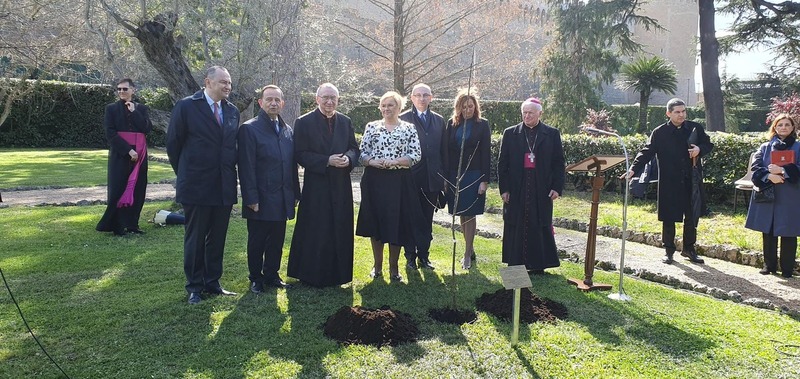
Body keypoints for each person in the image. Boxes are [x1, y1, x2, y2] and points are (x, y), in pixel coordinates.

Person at [167, 66, 240, 304]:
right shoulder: (187, 106)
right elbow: (174, 145)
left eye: (229, 83)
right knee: (195, 238)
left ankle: (213, 282)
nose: (227, 86)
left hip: (224, 186)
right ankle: (195, 287)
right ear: (207, 82)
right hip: (196, 186)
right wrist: (187, 174)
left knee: (217, 238)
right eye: (223, 82)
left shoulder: (232, 111)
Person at [625, 98, 713, 265]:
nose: (681, 115)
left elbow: (708, 144)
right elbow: (647, 152)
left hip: (691, 179)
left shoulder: (695, 128)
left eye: (683, 111)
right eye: (677, 112)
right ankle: (669, 251)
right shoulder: (659, 132)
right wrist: (633, 169)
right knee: (669, 216)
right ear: (668, 113)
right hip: (669, 180)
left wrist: (699, 149)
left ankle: (689, 248)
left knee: (691, 215)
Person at [288, 83, 359, 287]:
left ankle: (338, 275)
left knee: (339, 227)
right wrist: (326, 160)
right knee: (316, 229)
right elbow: (300, 154)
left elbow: (354, 148)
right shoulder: (304, 122)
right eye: (325, 97)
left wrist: (348, 158)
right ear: (317, 99)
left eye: (333, 98)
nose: (329, 102)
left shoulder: (345, 121)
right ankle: (311, 274)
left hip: (340, 185)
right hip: (316, 185)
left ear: (338, 100)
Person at [237, 85, 300, 293]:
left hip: (282, 196)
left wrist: (295, 194)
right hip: (260, 197)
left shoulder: (287, 130)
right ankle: (256, 277)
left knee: (277, 239)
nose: (273, 103)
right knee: (257, 241)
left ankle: (272, 274)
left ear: (282, 103)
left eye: (277, 100)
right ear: (261, 103)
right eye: (269, 99)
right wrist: (251, 198)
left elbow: (291, 165)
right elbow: (246, 167)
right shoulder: (249, 128)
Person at [357, 91, 423, 282]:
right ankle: (377, 266)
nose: (386, 109)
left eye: (390, 105)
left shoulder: (409, 128)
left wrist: (395, 161)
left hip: (399, 181)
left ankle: (394, 268)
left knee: (397, 224)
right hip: (375, 180)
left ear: (399, 107)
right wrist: (372, 161)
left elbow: (415, 154)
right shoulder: (372, 127)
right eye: (383, 105)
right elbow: (362, 153)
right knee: (376, 222)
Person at [497, 98, 565, 274]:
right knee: (515, 222)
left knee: (539, 222)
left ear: (540, 113)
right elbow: (502, 164)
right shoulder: (510, 133)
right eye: (524, 113)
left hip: (541, 187)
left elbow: (559, 163)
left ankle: (538, 264)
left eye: (531, 113)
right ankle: (515, 263)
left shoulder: (551, 134)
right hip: (516, 186)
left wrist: (557, 187)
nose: (527, 116)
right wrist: (504, 189)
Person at [96, 78, 153, 236]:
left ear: (133, 90)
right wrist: (128, 151)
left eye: (125, 89)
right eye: (119, 89)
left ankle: (132, 224)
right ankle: (117, 226)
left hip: (140, 153)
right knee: (119, 187)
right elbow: (110, 133)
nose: (121, 92)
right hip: (120, 153)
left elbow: (146, 128)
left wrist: (134, 112)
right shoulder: (111, 109)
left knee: (138, 187)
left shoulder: (141, 109)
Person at [745, 114, 799, 278]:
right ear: (774, 127)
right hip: (769, 193)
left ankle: (787, 269)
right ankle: (769, 266)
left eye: (787, 125)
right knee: (768, 229)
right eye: (780, 124)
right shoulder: (765, 147)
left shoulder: (798, 147)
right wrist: (769, 176)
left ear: (792, 128)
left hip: (791, 195)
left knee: (789, 231)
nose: (783, 127)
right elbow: (756, 168)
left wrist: (783, 171)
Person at [443, 89, 491, 270]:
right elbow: (447, 152)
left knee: (470, 214)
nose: (467, 110)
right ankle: (470, 248)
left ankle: (466, 254)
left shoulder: (482, 125)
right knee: (461, 213)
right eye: (464, 107)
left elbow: (486, 153)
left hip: (474, 174)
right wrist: (446, 177)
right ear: (458, 107)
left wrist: (484, 180)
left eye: (470, 106)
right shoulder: (452, 124)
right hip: (455, 174)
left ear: (475, 106)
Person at [400, 83, 446, 270]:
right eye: (417, 95)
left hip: (433, 178)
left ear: (431, 97)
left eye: (425, 95)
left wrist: (443, 178)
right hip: (410, 178)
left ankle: (424, 256)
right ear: (411, 98)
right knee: (410, 218)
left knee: (427, 219)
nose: (421, 98)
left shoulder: (439, 120)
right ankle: (410, 256)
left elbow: (443, 151)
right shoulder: (403, 119)